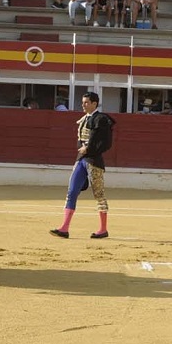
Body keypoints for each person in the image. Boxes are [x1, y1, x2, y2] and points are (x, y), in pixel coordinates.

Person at [50, 92, 115, 240]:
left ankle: (103, 229)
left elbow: (105, 143)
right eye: (83, 102)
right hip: (81, 159)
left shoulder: (101, 119)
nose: (83, 105)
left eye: (86, 102)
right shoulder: (85, 118)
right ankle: (64, 228)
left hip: (93, 161)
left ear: (94, 103)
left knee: (99, 194)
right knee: (72, 191)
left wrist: (89, 149)